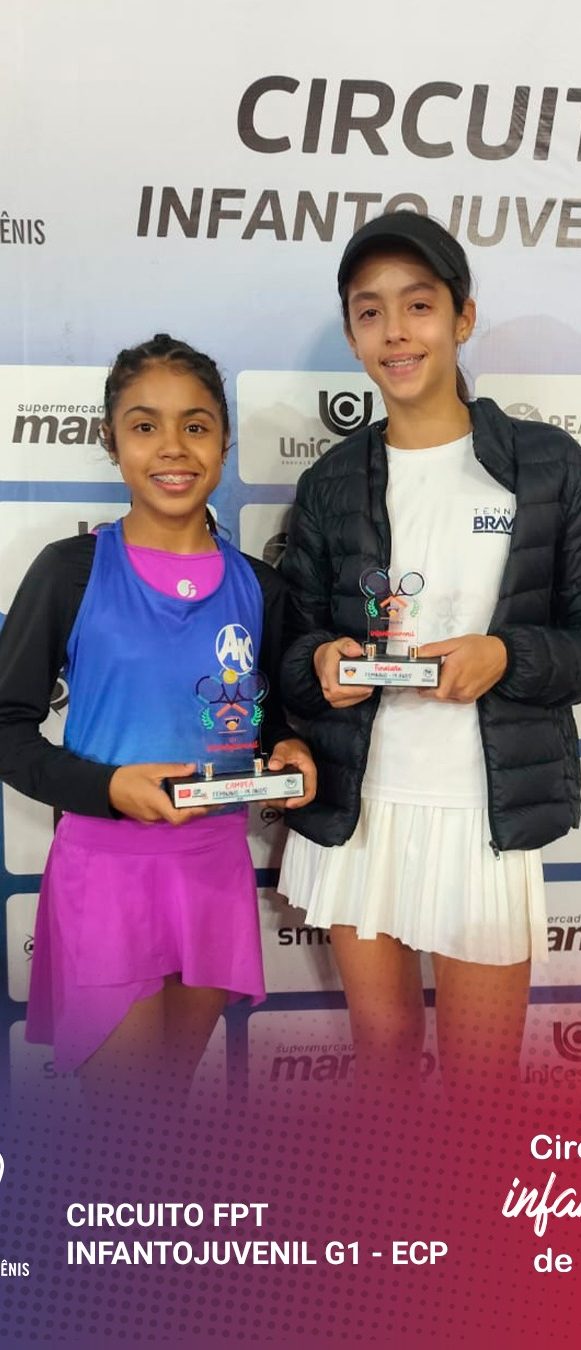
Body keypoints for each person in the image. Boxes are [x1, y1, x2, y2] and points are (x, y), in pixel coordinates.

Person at [277, 211, 581, 1097]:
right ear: (351, 335)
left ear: (462, 317)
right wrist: (319, 665)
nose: (395, 332)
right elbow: (290, 651)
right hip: (359, 811)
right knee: (382, 1073)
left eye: (417, 305)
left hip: (481, 813)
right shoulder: (330, 482)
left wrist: (505, 656)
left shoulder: (548, 466)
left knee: (481, 1089)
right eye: (369, 312)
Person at [0, 333, 315, 1107]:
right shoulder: (71, 571)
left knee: (166, 1109)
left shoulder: (261, 588)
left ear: (224, 441)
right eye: (145, 425)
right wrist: (108, 788)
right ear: (112, 442)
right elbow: (6, 726)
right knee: (125, 1117)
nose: (173, 446)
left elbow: (276, 721)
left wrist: (290, 750)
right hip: (108, 878)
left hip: (211, 872)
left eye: (195, 425)